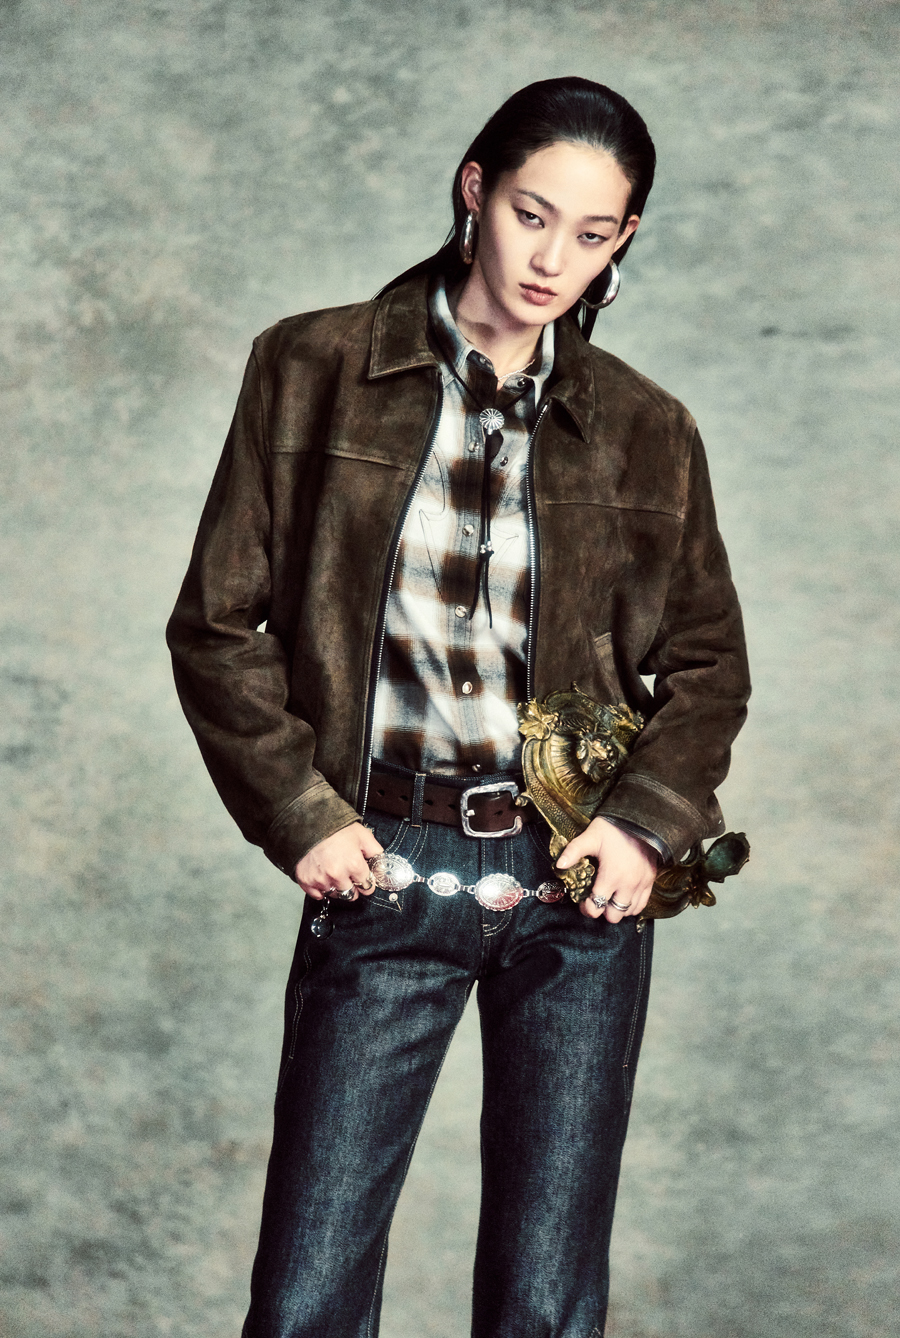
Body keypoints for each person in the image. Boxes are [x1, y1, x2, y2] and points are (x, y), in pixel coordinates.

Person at [167, 76, 750, 1338]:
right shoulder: (310, 368)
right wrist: (300, 813)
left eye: (591, 234)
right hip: (382, 863)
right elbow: (217, 624)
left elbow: (710, 664)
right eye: (532, 215)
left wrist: (644, 825)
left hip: (581, 885)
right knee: (309, 1292)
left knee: (546, 1301)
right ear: (475, 190)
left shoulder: (649, 429)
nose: (552, 261)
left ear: (625, 239)